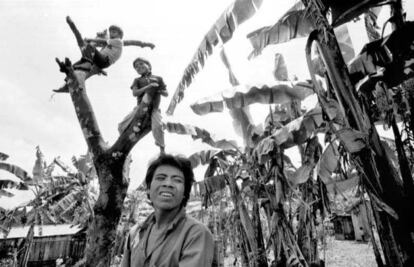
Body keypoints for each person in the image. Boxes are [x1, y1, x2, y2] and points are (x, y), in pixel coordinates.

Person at [121, 154, 214, 267]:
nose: (168, 184)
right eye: (161, 178)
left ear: (185, 192)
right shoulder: (136, 232)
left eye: (177, 180)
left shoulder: (196, 234)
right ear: (149, 188)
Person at [118, 57, 168, 153]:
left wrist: (158, 89)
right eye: (136, 67)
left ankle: (162, 149)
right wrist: (148, 87)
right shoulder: (137, 80)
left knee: (158, 127)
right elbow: (135, 93)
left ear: (148, 66)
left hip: (154, 109)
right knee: (121, 125)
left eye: (141, 64)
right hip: (140, 107)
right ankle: (122, 143)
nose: (138, 67)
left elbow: (166, 93)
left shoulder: (158, 78)